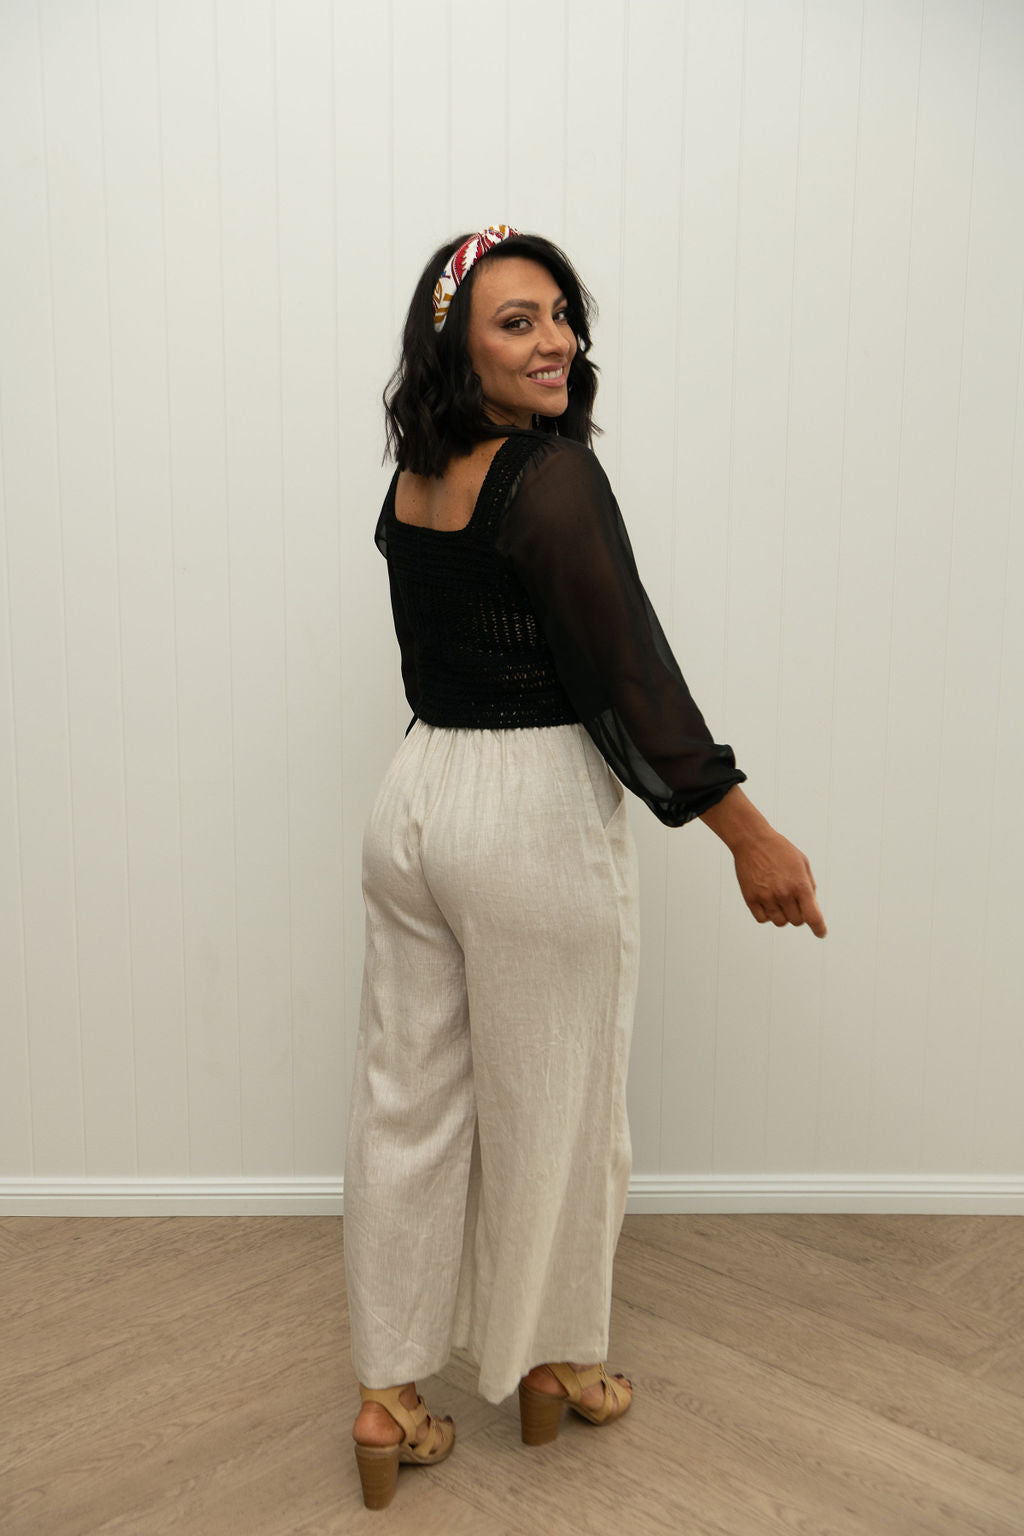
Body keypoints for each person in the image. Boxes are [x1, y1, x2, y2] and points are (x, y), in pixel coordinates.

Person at [343, 226, 826, 1510]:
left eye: (560, 315)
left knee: (406, 1104)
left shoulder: (416, 474)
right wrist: (745, 832)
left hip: (413, 803)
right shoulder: (549, 477)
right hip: (524, 813)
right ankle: (555, 1359)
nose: (554, 340)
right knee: (557, 1102)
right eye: (516, 322)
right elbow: (629, 671)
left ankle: (388, 1394)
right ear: (455, 346)